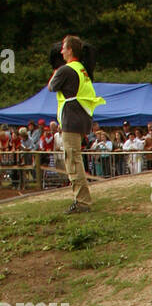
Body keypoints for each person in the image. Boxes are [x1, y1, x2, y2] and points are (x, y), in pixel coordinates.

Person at [47, 34, 105, 213]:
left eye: (64, 47)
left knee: (72, 160)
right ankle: (81, 198)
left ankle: (82, 202)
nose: (61, 50)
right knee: (75, 158)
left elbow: (51, 87)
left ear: (70, 50)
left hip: (71, 119)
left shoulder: (65, 70)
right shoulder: (82, 69)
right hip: (81, 117)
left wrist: (56, 70)